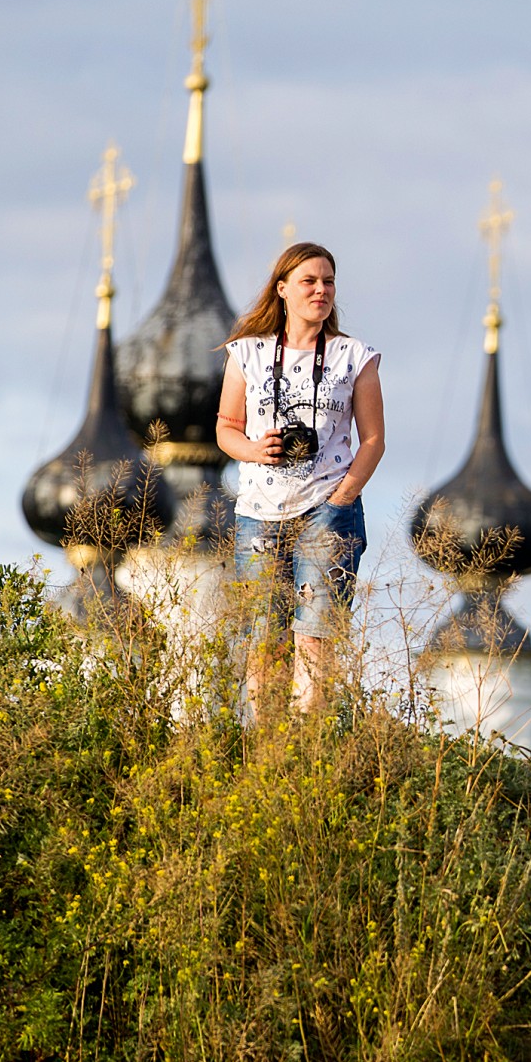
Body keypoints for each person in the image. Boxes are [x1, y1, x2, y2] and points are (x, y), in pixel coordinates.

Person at [216, 242, 386, 716]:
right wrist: (255, 450)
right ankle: (262, 742)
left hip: (326, 510)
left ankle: (307, 742)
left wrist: (342, 498)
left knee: (315, 635)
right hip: (258, 512)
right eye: (309, 281)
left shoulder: (355, 356)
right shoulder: (247, 353)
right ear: (282, 289)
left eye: (328, 282)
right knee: (260, 637)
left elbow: (373, 440)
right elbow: (226, 428)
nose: (320, 290)